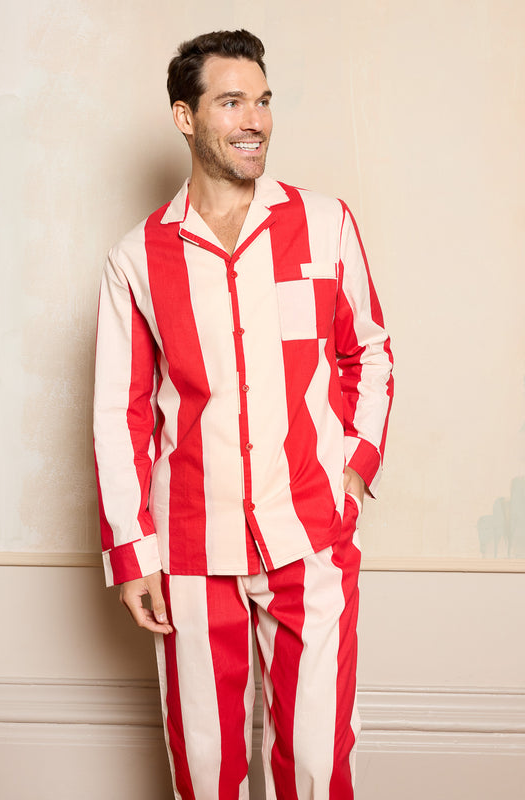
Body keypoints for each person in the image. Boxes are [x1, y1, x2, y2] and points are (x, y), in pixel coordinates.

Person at [93, 29, 393, 800]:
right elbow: (119, 415)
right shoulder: (138, 258)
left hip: (312, 538)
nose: (253, 119)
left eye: (262, 100)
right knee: (203, 769)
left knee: (319, 767)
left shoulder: (324, 224)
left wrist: (352, 475)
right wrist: (133, 554)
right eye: (231, 102)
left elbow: (371, 352)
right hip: (191, 552)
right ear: (185, 118)